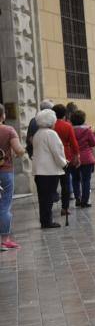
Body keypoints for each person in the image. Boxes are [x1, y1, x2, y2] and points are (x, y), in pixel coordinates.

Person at [31, 109, 66, 229]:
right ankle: (47, 221)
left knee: (43, 198)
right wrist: (63, 163)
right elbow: (57, 151)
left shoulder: (38, 133)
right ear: (51, 121)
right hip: (49, 171)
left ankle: (45, 220)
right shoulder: (51, 133)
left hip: (39, 171)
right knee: (49, 197)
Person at [0, 105, 26, 249]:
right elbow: (19, 150)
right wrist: (21, 151)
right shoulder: (8, 130)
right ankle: (4, 240)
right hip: (5, 171)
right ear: (3, 115)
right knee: (4, 204)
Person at [52, 104, 79, 217]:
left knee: (52, 183)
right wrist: (76, 156)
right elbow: (74, 143)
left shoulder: (51, 126)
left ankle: (50, 205)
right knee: (65, 183)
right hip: (65, 157)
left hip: (52, 157)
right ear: (64, 114)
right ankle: (65, 208)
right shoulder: (67, 126)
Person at [70, 110, 95, 208]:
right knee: (86, 180)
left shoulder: (70, 130)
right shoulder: (87, 130)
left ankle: (78, 199)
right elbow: (93, 143)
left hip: (73, 158)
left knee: (75, 179)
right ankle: (85, 201)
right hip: (86, 158)